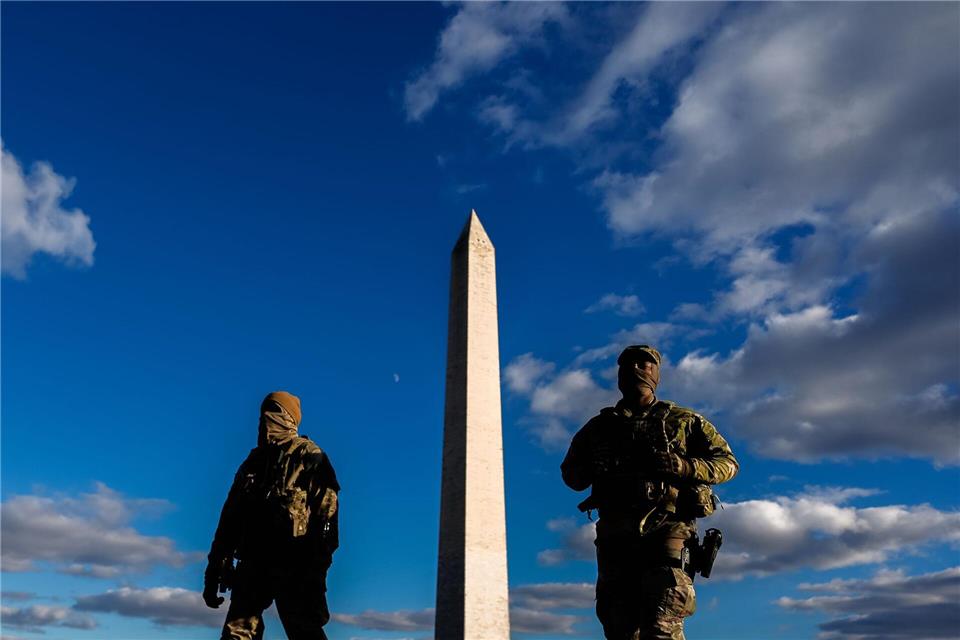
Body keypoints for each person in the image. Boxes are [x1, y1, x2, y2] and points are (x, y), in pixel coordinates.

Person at [561, 345, 738, 640]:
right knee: (620, 629)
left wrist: (685, 467)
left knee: (663, 625)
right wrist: (596, 466)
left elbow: (728, 464)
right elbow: (572, 476)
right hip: (616, 539)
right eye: (628, 365)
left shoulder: (684, 421)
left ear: (656, 373)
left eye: (645, 364)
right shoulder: (598, 428)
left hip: (668, 531)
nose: (636, 370)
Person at [203, 391, 340, 640]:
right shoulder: (253, 464)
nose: (267, 420)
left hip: (296, 567)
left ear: (290, 419)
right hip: (254, 565)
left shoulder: (309, 456)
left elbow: (327, 518)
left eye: (276, 411)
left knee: (305, 631)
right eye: (265, 412)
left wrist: (315, 570)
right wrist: (214, 570)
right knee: (237, 634)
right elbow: (229, 521)